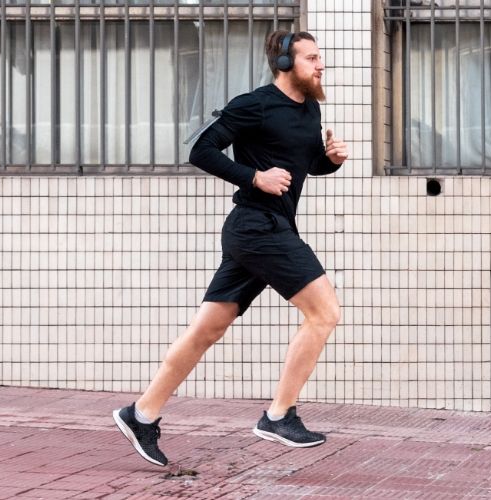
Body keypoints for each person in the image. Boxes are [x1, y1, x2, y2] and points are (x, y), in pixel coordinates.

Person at [112, 30, 348, 467]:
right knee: (324, 312)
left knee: (207, 329)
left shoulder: (310, 110)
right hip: (258, 227)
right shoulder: (253, 104)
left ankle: (141, 413)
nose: (321, 66)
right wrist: (254, 177)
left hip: (262, 229)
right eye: (312, 58)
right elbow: (201, 150)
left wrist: (329, 160)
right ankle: (278, 415)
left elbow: (306, 164)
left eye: (320, 58)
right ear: (284, 64)